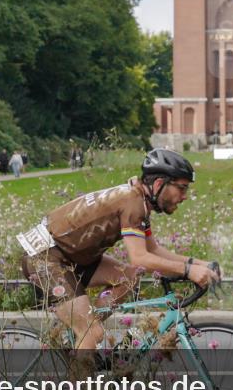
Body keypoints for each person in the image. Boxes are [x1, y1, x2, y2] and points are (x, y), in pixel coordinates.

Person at [18, 148, 220, 350]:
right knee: (91, 334)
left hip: (70, 256)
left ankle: (81, 332)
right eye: (182, 188)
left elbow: (153, 250)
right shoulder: (133, 203)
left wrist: (199, 264)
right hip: (45, 258)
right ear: (159, 184)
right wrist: (188, 271)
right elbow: (140, 259)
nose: (185, 196)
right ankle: (82, 351)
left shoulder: (138, 199)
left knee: (129, 277)